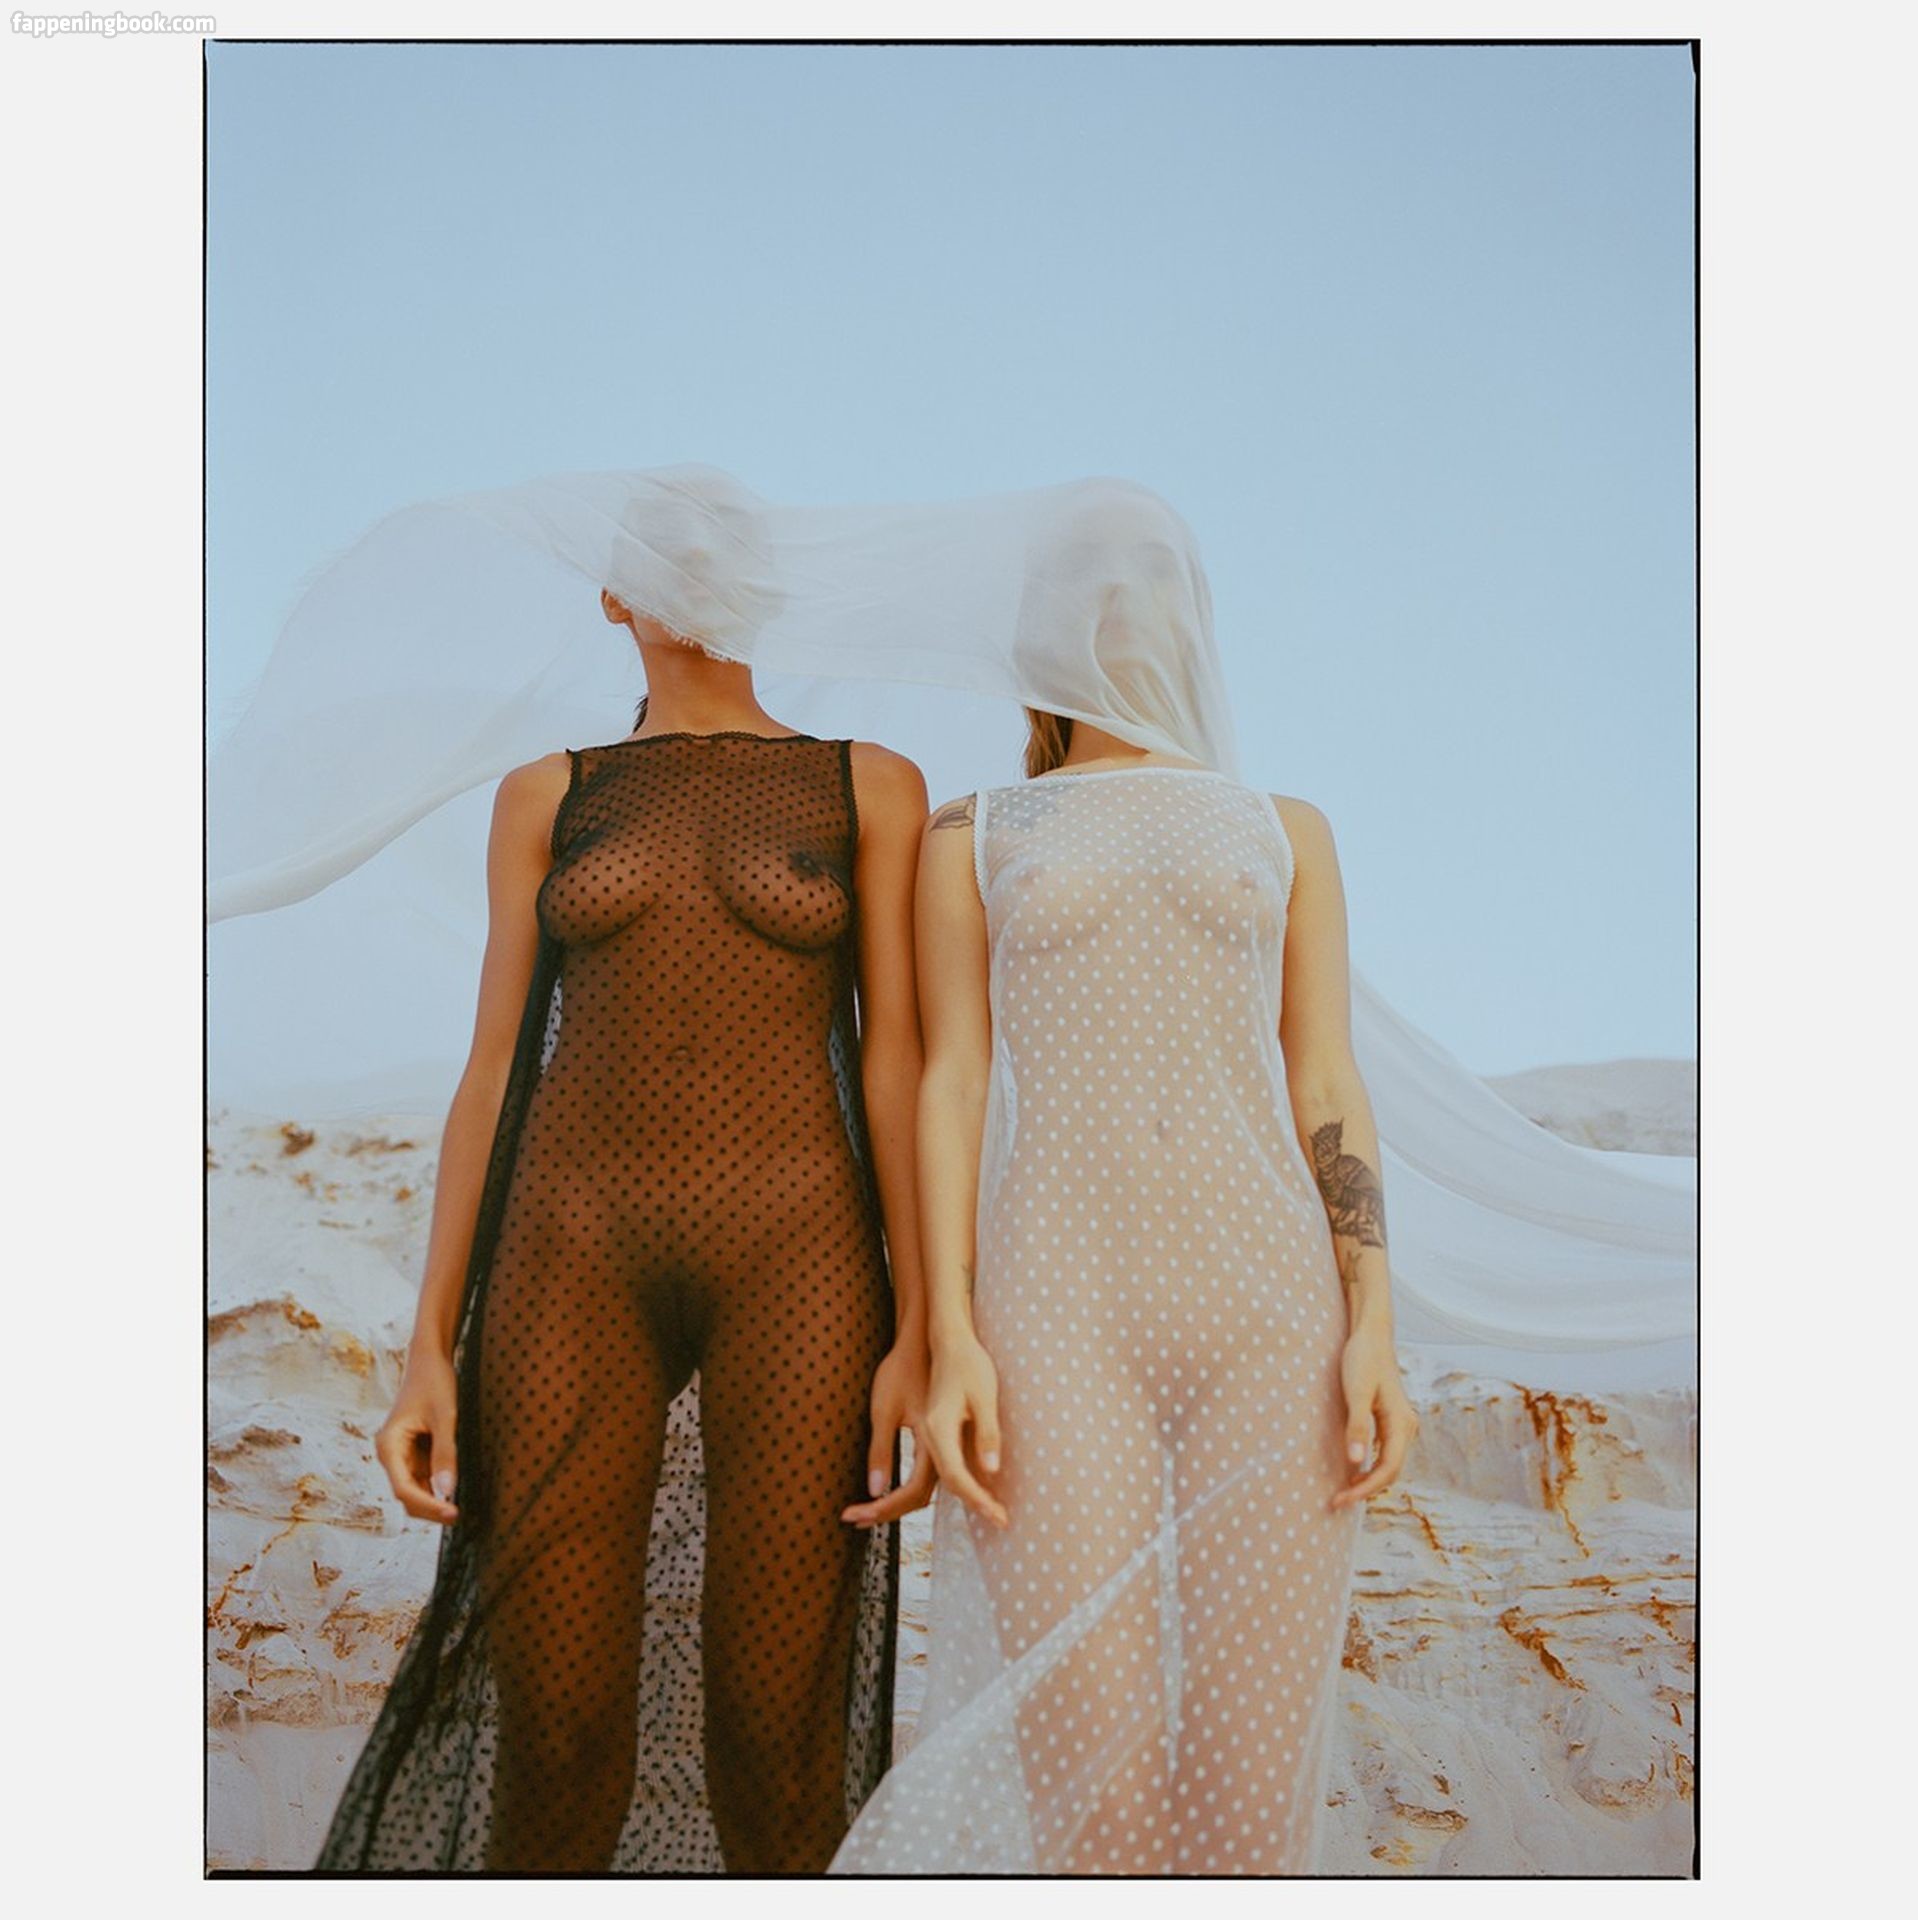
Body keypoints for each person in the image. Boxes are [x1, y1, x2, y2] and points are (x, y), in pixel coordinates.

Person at [311, 469, 934, 1871]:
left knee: (776, 1734)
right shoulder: (549, 792)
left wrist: (920, 1326)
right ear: (612, 597)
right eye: (664, 555)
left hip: (804, 1262)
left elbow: (896, 1062)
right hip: (566, 1255)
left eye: (719, 551)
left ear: (760, 584)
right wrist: (426, 1347)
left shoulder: (869, 784)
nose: (693, 574)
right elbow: (491, 1073)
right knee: (554, 1730)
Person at [829, 479, 1415, 1874]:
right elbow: (949, 1082)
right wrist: (950, 1332)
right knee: (1089, 1800)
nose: (1119, 599)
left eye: (1150, 574)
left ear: (1191, 614)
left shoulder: (1282, 828)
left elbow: (1325, 1082)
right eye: (1086, 579)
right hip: (1055, 1319)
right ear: (1037, 630)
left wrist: (1373, 1328)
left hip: (1271, 1316)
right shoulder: (978, 832)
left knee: (1246, 1798)